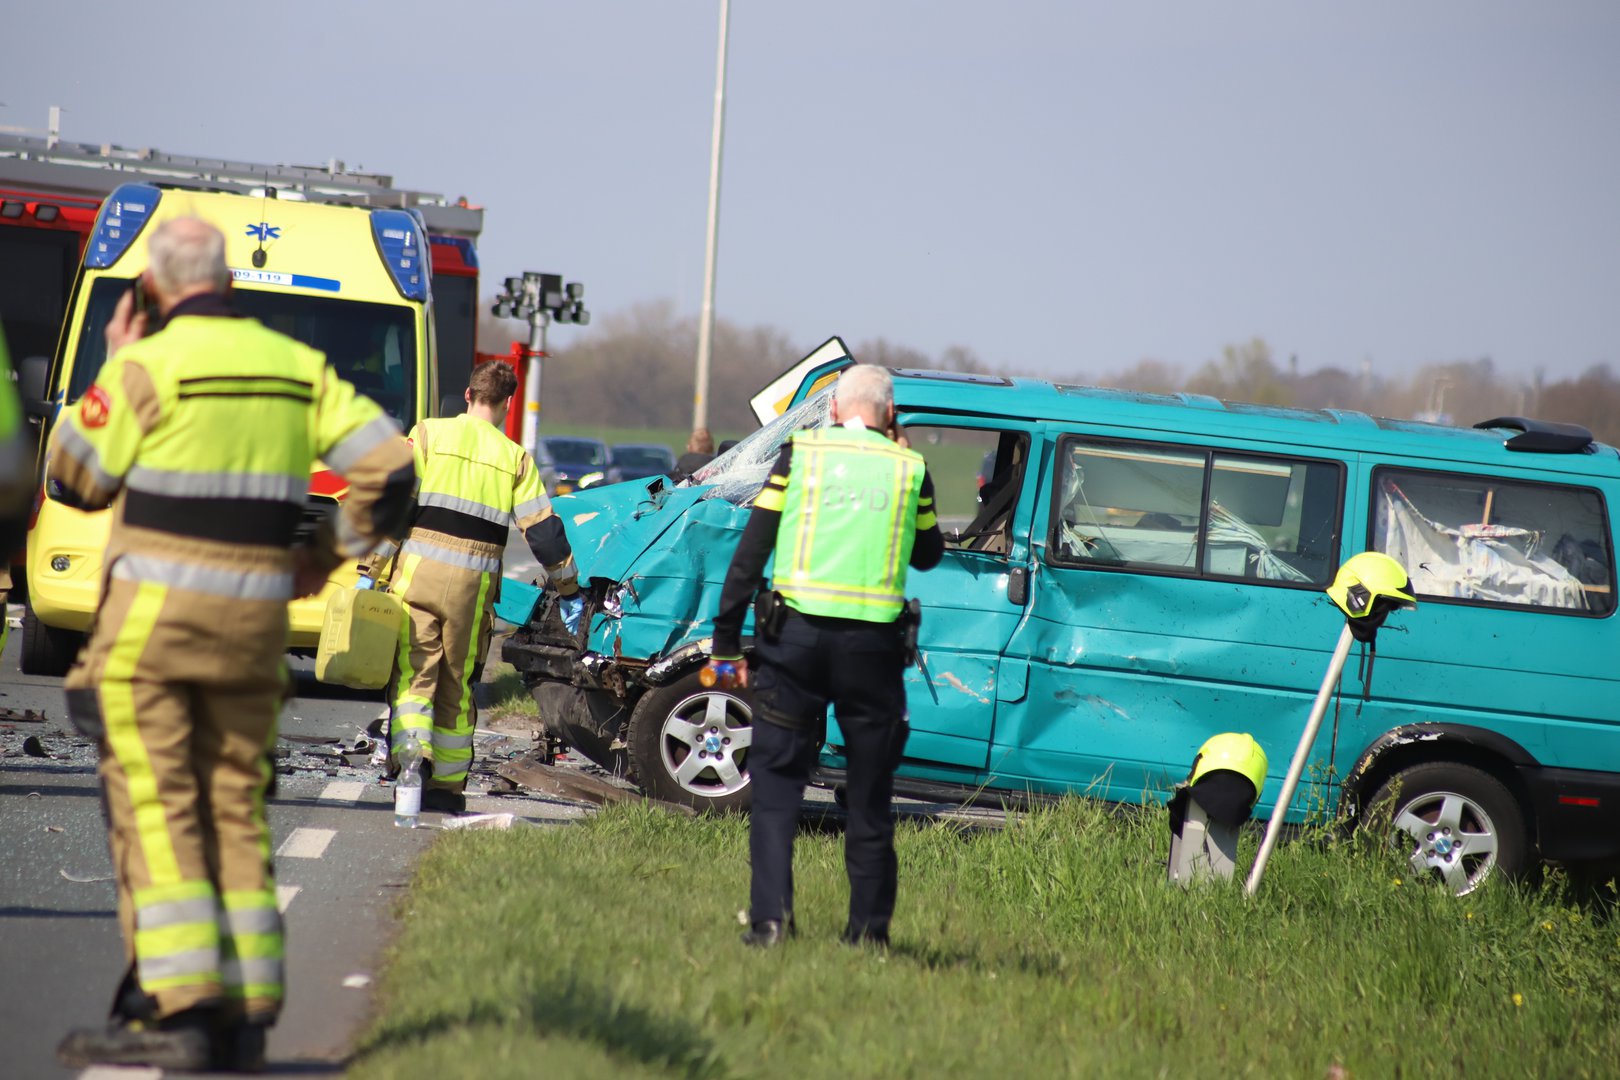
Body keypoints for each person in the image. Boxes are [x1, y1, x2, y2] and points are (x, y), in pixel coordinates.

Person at [50, 218, 416, 1071]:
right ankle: (246, 1017)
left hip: (153, 636)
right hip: (253, 636)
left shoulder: (146, 366)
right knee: (233, 807)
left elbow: (76, 476)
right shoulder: (296, 368)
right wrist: (320, 555)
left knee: (160, 806)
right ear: (229, 284)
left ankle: (183, 1012)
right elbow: (392, 470)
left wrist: (113, 357)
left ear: (152, 291)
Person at [707, 364, 943, 948]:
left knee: (778, 783)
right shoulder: (910, 468)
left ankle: (769, 924)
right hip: (873, 652)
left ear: (835, 410)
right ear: (889, 417)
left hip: (795, 645)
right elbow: (930, 555)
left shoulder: (801, 456)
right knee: (869, 793)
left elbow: (751, 549)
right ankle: (867, 935)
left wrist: (725, 643)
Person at [379, 361, 583, 813]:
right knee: (457, 684)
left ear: (467, 395)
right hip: (471, 593)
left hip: (416, 579)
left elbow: (394, 506)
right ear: (508, 405)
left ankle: (412, 759)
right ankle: (447, 792)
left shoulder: (428, 435)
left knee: (416, 676)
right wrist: (568, 587)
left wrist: (370, 567)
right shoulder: (515, 459)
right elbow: (543, 532)